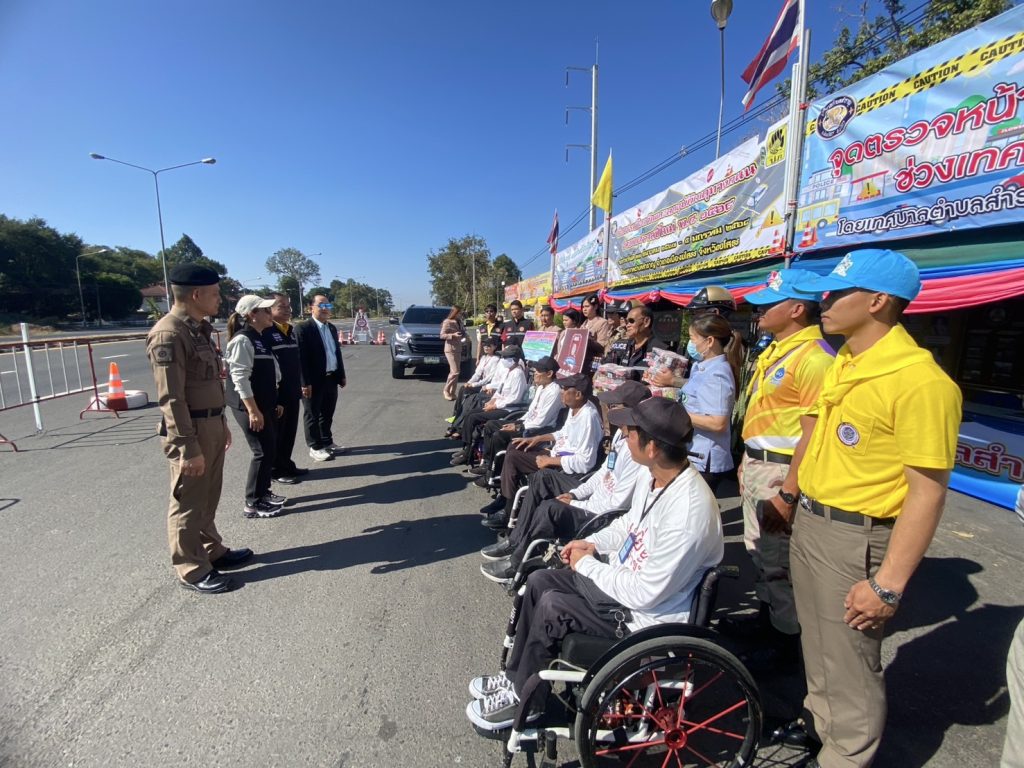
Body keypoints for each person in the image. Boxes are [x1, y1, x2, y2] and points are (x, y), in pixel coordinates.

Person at [771, 249, 962, 768]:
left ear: (878, 301)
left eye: (838, 292)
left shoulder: (920, 382)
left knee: (851, 663)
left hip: (855, 537)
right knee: (819, 645)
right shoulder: (849, 361)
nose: (825, 301)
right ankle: (821, 727)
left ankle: (847, 754)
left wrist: (888, 585)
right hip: (815, 522)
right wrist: (791, 496)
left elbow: (927, 492)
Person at [465, 397, 724, 731]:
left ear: (652, 447)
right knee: (540, 580)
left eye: (631, 432)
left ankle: (529, 703)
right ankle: (516, 679)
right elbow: (628, 525)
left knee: (554, 606)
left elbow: (645, 592)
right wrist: (593, 543)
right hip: (624, 586)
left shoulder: (688, 512)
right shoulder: (655, 478)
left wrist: (587, 565)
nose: (624, 435)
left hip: (644, 620)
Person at [719, 270, 835, 666]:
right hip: (759, 464)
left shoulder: (815, 358)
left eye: (770, 303)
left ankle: (786, 642)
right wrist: (746, 459)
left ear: (797, 309)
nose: (760, 310)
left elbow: (812, 434)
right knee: (758, 552)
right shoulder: (777, 350)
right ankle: (767, 619)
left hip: (781, 472)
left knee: (778, 560)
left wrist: (789, 491)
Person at [146, 264, 251, 595]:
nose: (220, 299)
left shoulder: (198, 329)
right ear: (196, 295)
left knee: (207, 496)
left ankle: (211, 550)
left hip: (211, 424)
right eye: (215, 293)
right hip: (191, 431)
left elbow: (207, 384)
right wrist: (188, 447)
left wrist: (221, 422)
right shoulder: (169, 334)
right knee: (188, 502)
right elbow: (172, 398)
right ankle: (190, 568)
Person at [479, 380, 650, 582]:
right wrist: (575, 494)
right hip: (591, 496)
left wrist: (576, 503)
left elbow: (615, 503)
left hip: (600, 513)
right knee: (541, 477)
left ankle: (516, 564)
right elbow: (603, 473)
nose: (609, 409)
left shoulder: (636, 452)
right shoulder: (621, 435)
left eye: (615, 405)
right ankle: (515, 540)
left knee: (550, 508)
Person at [479, 373, 603, 529]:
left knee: (513, 456)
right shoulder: (575, 408)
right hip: (556, 453)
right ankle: (506, 498)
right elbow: (563, 433)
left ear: (578, 394)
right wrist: (537, 439)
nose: (561, 392)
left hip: (564, 466)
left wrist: (550, 460)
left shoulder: (588, 417)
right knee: (515, 446)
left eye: (565, 389)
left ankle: (507, 510)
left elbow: (585, 462)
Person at [225, 295, 286, 519]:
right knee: (262, 452)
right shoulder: (243, 340)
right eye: (265, 311)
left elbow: (272, 372)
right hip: (250, 406)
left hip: (264, 403)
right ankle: (253, 503)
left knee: (270, 450)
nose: (270, 314)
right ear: (252, 315)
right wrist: (253, 410)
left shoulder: (259, 337)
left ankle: (264, 492)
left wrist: (275, 400)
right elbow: (240, 378)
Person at [678, 314, 744, 491]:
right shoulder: (702, 367)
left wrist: (678, 414)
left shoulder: (718, 374)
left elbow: (718, 423)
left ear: (709, 341)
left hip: (704, 457)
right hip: (693, 450)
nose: (690, 344)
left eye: (693, 338)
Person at [469, 356, 563, 478]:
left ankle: (496, 473)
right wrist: (517, 422)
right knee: (491, 425)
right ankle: (487, 463)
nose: (535, 373)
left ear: (549, 373)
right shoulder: (541, 387)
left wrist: (518, 426)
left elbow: (540, 421)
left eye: (538, 371)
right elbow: (530, 412)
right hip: (526, 423)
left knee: (499, 435)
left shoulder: (554, 392)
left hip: (538, 430)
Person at [450, 345, 529, 465]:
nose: (503, 359)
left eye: (505, 357)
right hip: (498, 404)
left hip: (508, 409)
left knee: (473, 417)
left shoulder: (518, 374)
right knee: (470, 413)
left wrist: (495, 406)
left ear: (514, 359)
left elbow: (514, 398)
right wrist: (492, 401)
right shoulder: (509, 371)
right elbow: (500, 390)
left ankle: (468, 454)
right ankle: (467, 447)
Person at [296, 295, 347, 462]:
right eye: (321, 305)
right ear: (311, 307)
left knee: (327, 413)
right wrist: (304, 382)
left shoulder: (331, 328)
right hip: (313, 380)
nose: (325, 309)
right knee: (312, 414)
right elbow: (300, 358)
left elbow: (336, 353)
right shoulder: (303, 328)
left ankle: (327, 441)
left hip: (331, 377)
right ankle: (315, 446)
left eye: (328, 305)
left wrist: (341, 374)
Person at [263, 292, 308, 485]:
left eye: (289, 306)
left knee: (289, 433)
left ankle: (286, 464)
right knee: (277, 435)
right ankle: (276, 470)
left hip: (292, 391)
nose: (288, 310)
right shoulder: (266, 332)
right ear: (268, 309)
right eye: (282, 306)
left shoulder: (288, 330)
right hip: (278, 395)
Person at [440, 305, 466, 401]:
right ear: (455, 312)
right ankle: (446, 390)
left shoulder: (459, 322)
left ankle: (452, 392)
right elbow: (442, 335)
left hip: (458, 348)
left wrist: (463, 332)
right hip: (450, 349)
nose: (460, 314)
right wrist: (453, 335)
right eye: (459, 312)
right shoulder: (447, 322)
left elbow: (462, 332)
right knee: (455, 372)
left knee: (455, 371)